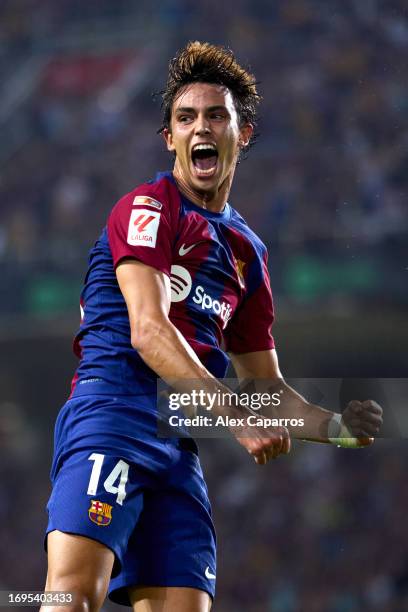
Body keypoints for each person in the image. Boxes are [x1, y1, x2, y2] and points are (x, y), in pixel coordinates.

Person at [42, 41, 382, 612]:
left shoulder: (247, 252)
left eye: (216, 115)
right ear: (169, 137)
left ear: (242, 133)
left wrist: (339, 426)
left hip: (178, 442)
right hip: (113, 413)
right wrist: (236, 417)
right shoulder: (148, 208)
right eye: (185, 117)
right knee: (69, 597)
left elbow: (266, 390)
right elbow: (148, 331)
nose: (201, 126)